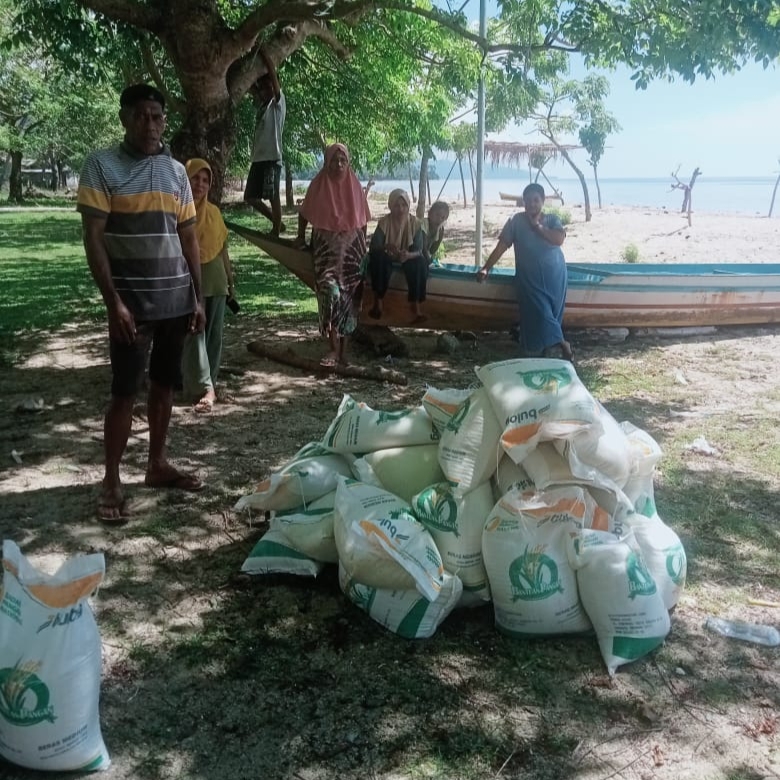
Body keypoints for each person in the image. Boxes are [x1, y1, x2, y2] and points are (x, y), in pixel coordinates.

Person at [77, 83, 206, 525]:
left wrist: (197, 295)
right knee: (123, 392)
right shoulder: (101, 167)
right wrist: (113, 303)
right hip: (130, 304)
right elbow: (93, 239)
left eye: (157, 116)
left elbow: (188, 237)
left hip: (175, 299)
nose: (151, 125)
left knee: (165, 385)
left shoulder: (175, 172)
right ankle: (112, 479)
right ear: (124, 118)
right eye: (142, 116)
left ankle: (156, 464)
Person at [294, 143, 371, 367]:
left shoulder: (355, 186)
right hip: (326, 256)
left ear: (348, 163)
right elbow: (305, 214)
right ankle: (333, 348)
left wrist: (362, 248)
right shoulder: (318, 186)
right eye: (334, 160)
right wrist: (300, 237)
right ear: (327, 163)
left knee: (348, 301)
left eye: (343, 160)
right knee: (330, 295)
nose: (338, 164)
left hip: (351, 257)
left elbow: (363, 219)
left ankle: (343, 351)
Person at [476, 182, 573, 360]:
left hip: (555, 276)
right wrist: (486, 268)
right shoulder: (516, 221)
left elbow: (558, 239)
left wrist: (538, 227)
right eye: (528, 201)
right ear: (523, 203)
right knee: (538, 312)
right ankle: (561, 343)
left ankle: (546, 350)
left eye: (536, 200)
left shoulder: (551, 220)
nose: (532, 204)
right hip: (529, 279)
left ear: (543, 201)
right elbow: (502, 246)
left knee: (551, 314)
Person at [181, 158, 235, 413]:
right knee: (193, 334)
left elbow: (223, 247)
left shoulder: (213, 212)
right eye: (195, 178)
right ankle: (199, 385)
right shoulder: (178, 210)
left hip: (217, 280)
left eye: (205, 180)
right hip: (190, 279)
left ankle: (210, 384)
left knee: (214, 336)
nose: (200, 184)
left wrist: (230, 279)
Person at [367, 189, 427, 323]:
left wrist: (408, 255)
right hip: (388, 256)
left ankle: (416, 305)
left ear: (408, 206)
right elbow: (374, 247)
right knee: (379, 260)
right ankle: (379, 302)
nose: (400, 209)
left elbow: (419, 250)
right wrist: (386, 247)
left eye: (404, 205)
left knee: (420, 263)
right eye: (396, 205)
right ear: (390, 206)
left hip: (408, 257)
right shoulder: (384, 222)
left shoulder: (416, 223)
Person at [243, 49, 286, 236]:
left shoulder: (277, 104)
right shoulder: (261, 105)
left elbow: (273, 79)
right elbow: (250, 86)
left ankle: (276, 229)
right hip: (258, 158)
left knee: (272, 195)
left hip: (272, 157)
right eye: (263, 88)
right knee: (250, 197)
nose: (266, 90)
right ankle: (277, 221)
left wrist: (264, 54)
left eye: (269, 87)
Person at [421, 200, 449, 266]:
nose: (439, 219)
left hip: (424, 256)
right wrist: (430, 262)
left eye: (443, 217)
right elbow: (423, 248)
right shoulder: (424, 224)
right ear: (429, 214)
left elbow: (432, 251)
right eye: (437, 215)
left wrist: (440, 239)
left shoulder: (439, 230)